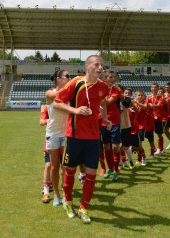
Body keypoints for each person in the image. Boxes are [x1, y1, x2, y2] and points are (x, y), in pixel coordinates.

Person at [54, 55, 111, 224]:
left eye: (102, 65)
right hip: (74, 136)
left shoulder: (102, 86)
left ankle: (84, 207)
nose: (100, 68)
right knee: (70, 171)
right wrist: (75, 110)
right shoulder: (76, 83)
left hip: (93, 138)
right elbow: (57, 103)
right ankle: (68, 201)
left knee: (91, 174)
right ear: (88, 67)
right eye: (96, 64)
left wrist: (105, 119)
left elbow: (102, 104)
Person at [45, 70, 70, 206]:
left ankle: (66, 193)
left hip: (66, 134)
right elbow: (59, 95)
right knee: (54, 167)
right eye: (67, 76)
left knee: (66, 167)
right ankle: (56, 193)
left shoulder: (69, 93)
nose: (69, 78)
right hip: (53, 134)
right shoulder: (49, 93)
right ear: (58, 78)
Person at [101, 70, 122, 181]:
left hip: (114, 121)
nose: (112, 79)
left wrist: (100, 98)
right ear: (105, 78)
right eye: (110, 77)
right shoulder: (100, 89)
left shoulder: (116, 90)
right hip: (103, 121)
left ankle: (116, 170)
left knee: (115, 147)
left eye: (113, 77)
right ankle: (109, 168)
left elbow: (108, 102)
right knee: (106, 147)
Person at [134, 89, 156, 159]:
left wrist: (137, 103)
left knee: (150, 140)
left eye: (142, 95)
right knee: (138, 142)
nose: (140, 97)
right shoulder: (133, 103)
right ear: (136, 96)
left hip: (148, 124)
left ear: (144, 96)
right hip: (138, 125)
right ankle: (139, 157)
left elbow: (145, 107)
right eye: (138, 95)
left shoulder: (146, 102)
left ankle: (152, 152)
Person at [145, 83, 165, 156]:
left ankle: (160, 149)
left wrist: (151, 105)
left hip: (158, 118)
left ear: (158, 88)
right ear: (151, 88)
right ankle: (152, 152)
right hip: (150, 118)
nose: (154, 89)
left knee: (159, 135)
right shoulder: (148, 97)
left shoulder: (161, 97)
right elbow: (146, 106)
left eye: (155, 87)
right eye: (152, 87)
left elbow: (159, 106)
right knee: (150, 135)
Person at [40, 104, 52, 203]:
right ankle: (46, 191)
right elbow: (41, 121)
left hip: (63, 138)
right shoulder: (46, 107)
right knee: (48, 165)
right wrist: (47, 121)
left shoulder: (65, 105)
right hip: (50, 139)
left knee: (63, 167)